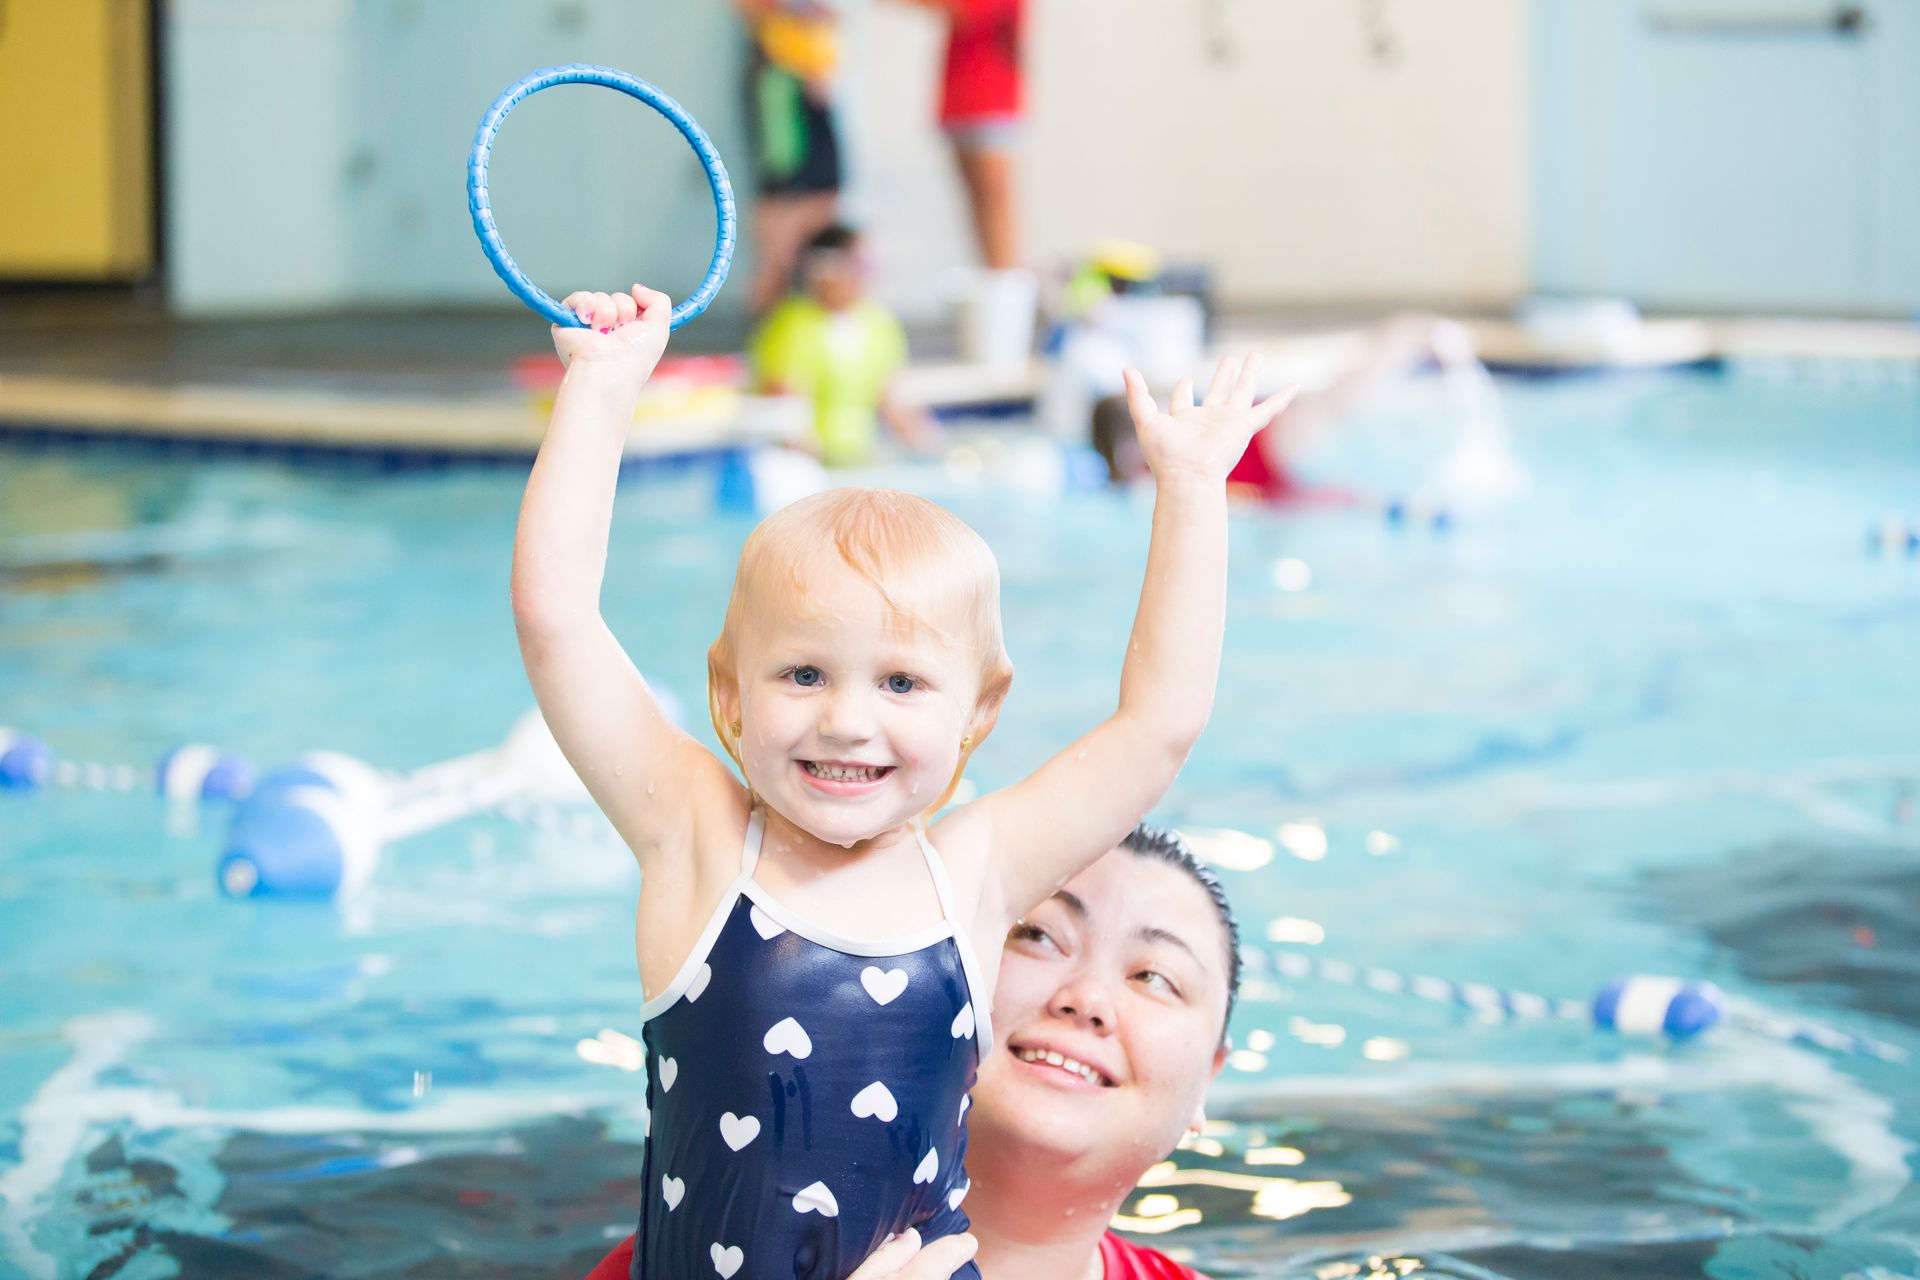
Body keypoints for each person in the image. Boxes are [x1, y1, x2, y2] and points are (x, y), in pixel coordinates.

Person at [514, 282, 1290, 1279]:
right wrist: (603, 387)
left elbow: (1158, 724)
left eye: (902, 681)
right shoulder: (700, 840)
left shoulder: (970, 876)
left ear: (979, 711)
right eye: (803, 673)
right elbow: (556, 620)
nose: (847, 717)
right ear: (729, 692)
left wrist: (1188, 489)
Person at [584, 824, 1242, 1280]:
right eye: (1038, 935)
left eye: (1155, 977)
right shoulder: (704, 1261)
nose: (1087, 997)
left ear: (1208, 1078)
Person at [1091, 315, 1475, 505]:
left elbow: (1239, 500)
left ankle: (1407, 337)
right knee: (1338, 403)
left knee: (1338, 402)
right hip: (1255, 439)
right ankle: (1404, 338)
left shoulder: (1148, 474)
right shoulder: (1154, 465)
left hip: (1261, 446)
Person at [748, 224, 942, 466]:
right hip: (809, 464)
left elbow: (891, 399)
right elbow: (785, 413)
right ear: (824, 270)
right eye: (861, 267)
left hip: (861, 458)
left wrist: (933, 448)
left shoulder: (878, 323)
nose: (868, 277)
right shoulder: (791, 326)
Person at [736, 0, 846, 315]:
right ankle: (767, 322)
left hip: (812, 78)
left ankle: (803, 321)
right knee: (783, 208)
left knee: (821, 206)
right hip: (782, 78)